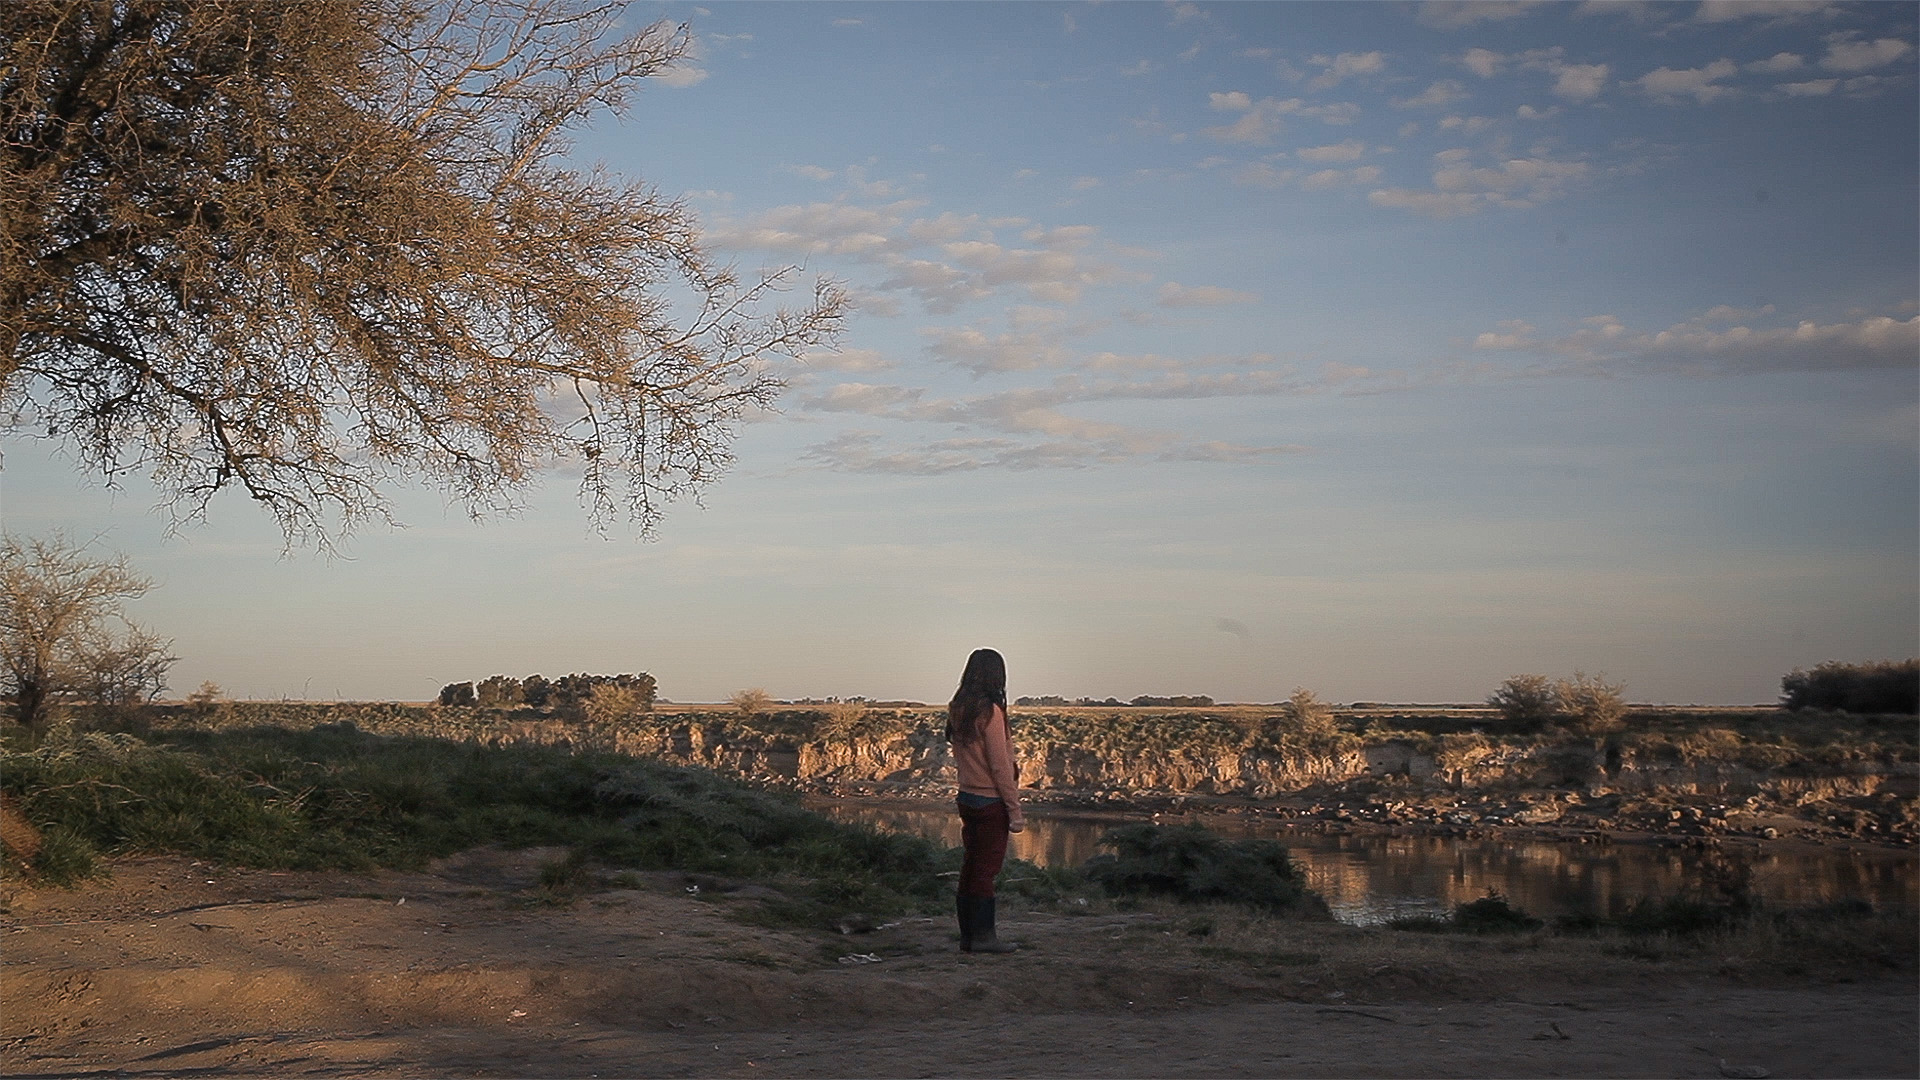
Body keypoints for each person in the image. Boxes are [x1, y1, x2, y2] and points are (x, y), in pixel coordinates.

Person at [946, 647, 1024, 954]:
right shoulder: (990, 712)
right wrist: (1014, 809)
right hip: (990, 801)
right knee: (985, 870)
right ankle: (983, 938)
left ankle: (970, 936)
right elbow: (999, 765)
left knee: (972, 866)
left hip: (967, 796)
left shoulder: (959, 707)